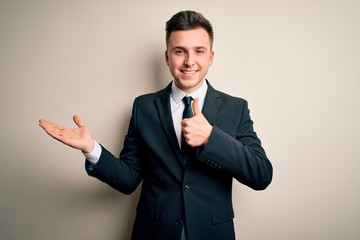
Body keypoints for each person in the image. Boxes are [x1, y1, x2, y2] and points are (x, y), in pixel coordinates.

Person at [39, 10, 272, 240]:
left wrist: (212, 137)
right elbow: (128, 179)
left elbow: (261, 175)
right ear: (167, 57)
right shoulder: (144, 107)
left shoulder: (236, 108)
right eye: (180, 51)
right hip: (154, 233)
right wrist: (91, 148)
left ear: (211, 56)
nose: (189, 61)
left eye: (198, 51)